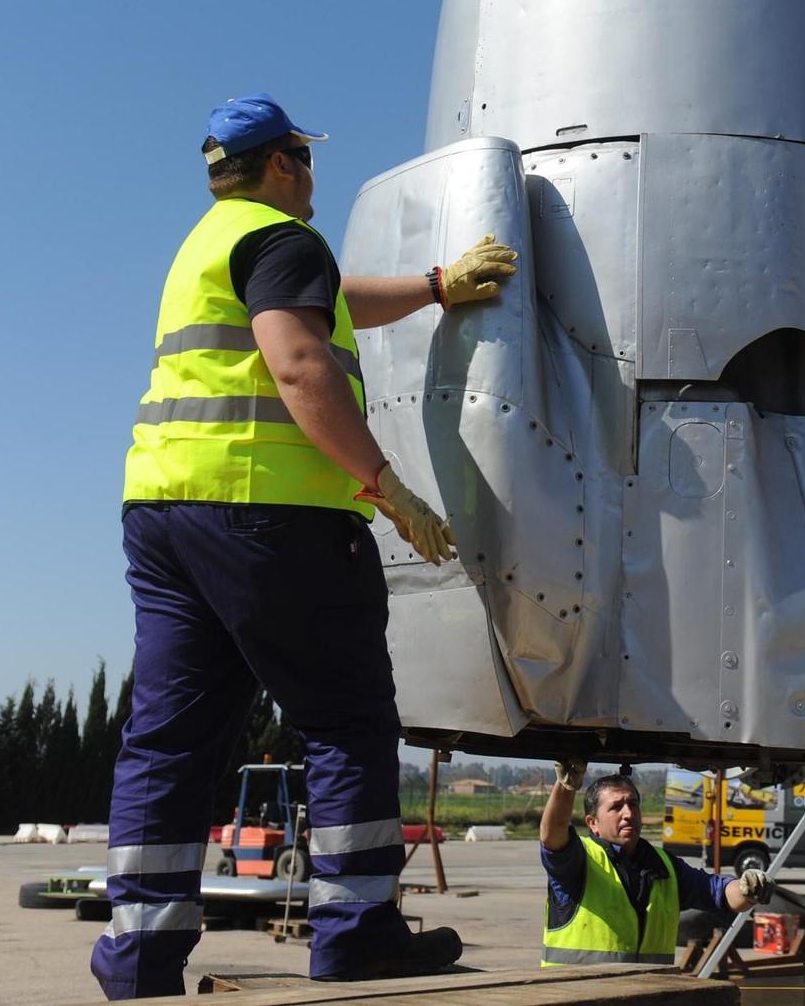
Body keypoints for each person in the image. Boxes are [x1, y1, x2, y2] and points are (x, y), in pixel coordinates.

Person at [94, 92, 518, 998]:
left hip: (165, 514)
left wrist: (436, 287)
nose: (313, 177)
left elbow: (322, 307)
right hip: (271, 517)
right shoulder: (284, 240)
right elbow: (299, 358)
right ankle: (358, 930)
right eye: (307, 159)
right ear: (283, 164)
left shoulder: (210, 244)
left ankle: (138, 953)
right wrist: (386, 486)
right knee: (346, 720)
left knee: (168, 740)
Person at [538, 762, 772, 967]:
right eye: (616, 807)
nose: (628, 813)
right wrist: (566, 787)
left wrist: (747, 888)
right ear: (593, 823)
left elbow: (718, 891)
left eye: (633, 804)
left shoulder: (663, 865)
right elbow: (552, 836)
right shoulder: (579, 862)